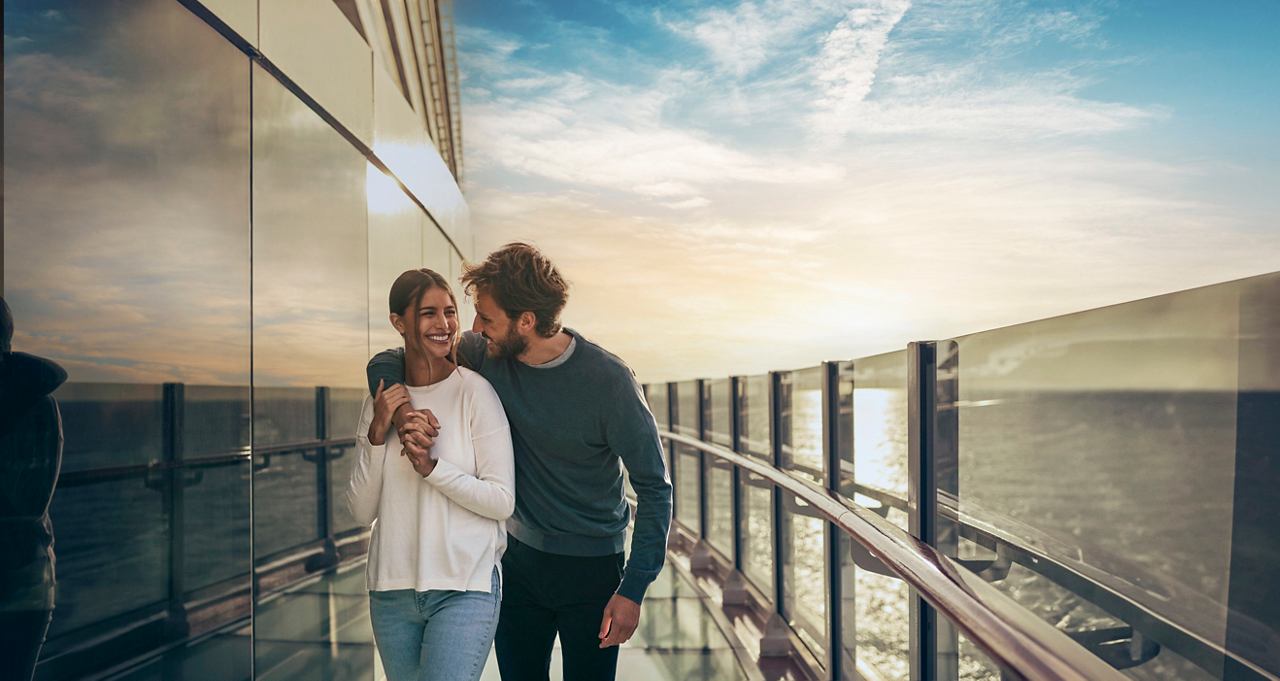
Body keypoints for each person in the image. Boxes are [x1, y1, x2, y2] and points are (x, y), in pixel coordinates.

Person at [368, 243, 672, 681]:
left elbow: (655, 488)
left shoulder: (609, 382)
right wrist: (402, 413)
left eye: (486, 318)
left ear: (526, 321)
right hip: (517, 565)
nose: (472, 329)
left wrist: (634, 589)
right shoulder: (488, 354)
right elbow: (386, 359)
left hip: (592, 568)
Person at [347, 269, 515, 681]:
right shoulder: (380, 401)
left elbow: (501, 500)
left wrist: (433, 468)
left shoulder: (475, 393)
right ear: (398, 322)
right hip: (391, 592)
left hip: (465, 589)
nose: (443, 324)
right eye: (428, 313)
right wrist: (375, 434)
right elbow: (359, 512)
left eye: (450, 312)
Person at [0, 297, 66, 681]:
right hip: (30, 581)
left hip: (21, 582)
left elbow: (24, 502)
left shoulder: (36, 407)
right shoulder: (41, 404)